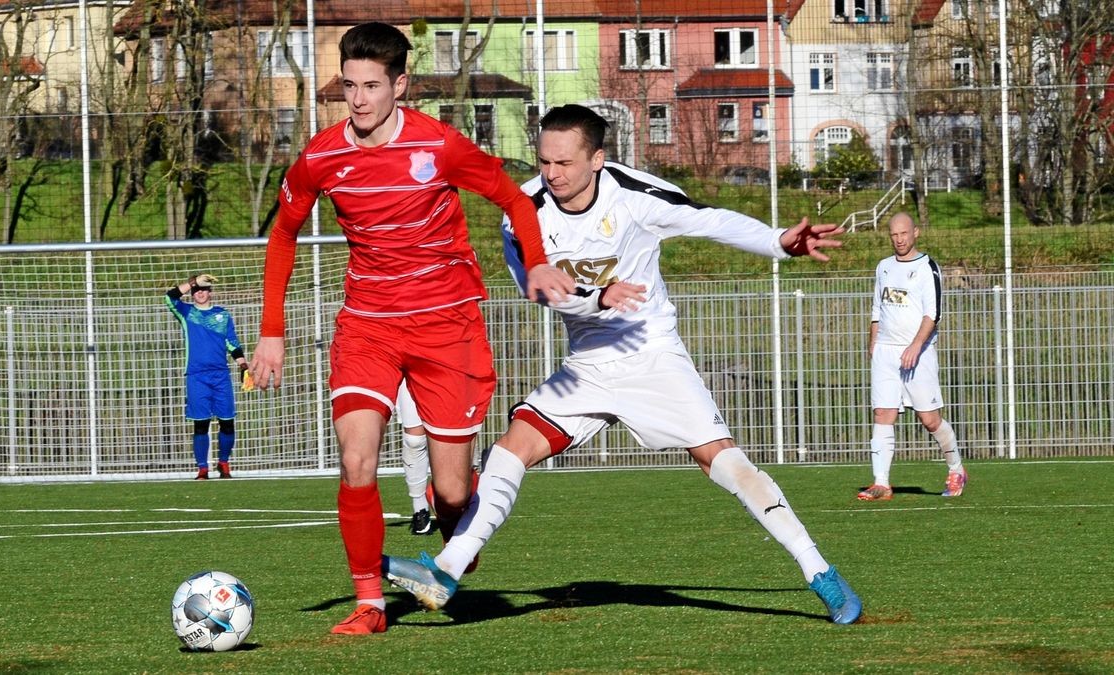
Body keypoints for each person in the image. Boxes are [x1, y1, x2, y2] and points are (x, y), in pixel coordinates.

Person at [383, 103, 863, 625]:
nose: (551, 174)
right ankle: (447, 570)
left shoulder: (634, 194)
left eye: (564, 163)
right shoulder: (522, 209)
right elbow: (535, 287)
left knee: (723, 461)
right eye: (544, 161)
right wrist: (598, 297)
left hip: (651, 353)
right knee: (512, 448)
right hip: (587, 364)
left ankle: (820, 573)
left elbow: (708, 219)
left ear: (597, 160)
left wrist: (777, 242)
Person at [247, 22, 575, 635]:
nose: (359, 99)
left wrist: (535, 261)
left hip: (446, 325)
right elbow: (283, 233)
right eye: (350, 85)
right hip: (367, 325)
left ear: (400, 85)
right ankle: (370, 602)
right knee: (357, 458)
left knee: (451, 493)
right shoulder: (321, 156)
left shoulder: (441, 146)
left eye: (372, 85)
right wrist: (273, 329)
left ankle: (459, 533)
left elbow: (513, 198)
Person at [858, 212, 967, 501]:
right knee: (883, 413)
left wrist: (916, 346)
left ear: (915, 233)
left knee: (930, 420)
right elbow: (876, 310)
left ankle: (956, 468)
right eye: (894, 235)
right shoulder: (883, 267)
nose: (899, 240)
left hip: (918, 353)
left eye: (904, 234)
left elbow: (933, 313)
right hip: (886, 351)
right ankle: (881, 483)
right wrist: (873, 343)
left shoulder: (927, 267)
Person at [165, 273, 251, 480]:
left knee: (227, 421)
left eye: (203, 289)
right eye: (196, 290)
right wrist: (193, 281)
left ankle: (224, 463)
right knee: (201, 423)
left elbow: (232, 342)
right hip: (196, 376)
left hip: (220, 375)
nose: (200, 293)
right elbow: (169, 297)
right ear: (192, 294)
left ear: (210, 292)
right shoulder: (187, 312)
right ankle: (202, 468)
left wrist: (243, 366)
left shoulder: (223, 314)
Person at [396, 380, 434, 536]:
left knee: (453, 435)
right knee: (414, 440)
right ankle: (420, 510)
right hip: (408, 363)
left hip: (448, 365)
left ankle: (464, 498)